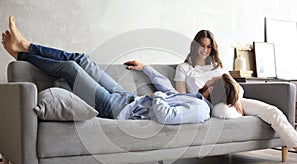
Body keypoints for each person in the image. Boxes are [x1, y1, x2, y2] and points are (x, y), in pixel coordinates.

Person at [1, 16, 212, 125]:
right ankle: (27, 45)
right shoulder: (193, 97)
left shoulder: (201, 110)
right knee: (83, 59)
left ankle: (21, 55)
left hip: (119, 111)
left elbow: (166, 115)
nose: (212, 80)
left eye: (215, 83)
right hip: (128, 98)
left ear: (214, 91)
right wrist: (146, 68)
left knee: (71, 69)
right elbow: (168, 89)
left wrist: (157, 96)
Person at [174, 29, 297, 154]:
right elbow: (183, 96)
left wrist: (237, 99)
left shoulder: (218, 67)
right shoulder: (184, 68)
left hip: (234, 100)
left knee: (272, 112)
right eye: (202, 45)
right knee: (224, 111)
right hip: (211, 105)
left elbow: (237, 87)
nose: (205, 50)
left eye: (209, 47)